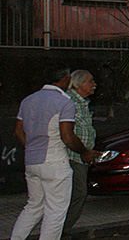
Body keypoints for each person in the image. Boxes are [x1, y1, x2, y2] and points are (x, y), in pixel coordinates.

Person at [10, 67, 94, 240]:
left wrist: (34, 147)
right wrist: (85, 152)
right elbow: (68, 137)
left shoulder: (28, 100)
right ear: (65, 80)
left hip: (32, 161)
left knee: (33, 206)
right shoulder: (64, 101)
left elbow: (18, 132)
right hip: (55, 162)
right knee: (55, 211)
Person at [61, 70, 97, 236]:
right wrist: (84, 151)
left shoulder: (81, 102)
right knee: (77, 194)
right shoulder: (70, 102)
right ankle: (61, 231)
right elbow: (69, 133)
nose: (94, 85)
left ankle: (61, 230)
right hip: (73, 156)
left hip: (81, 156)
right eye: (90, 81)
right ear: (79, 84)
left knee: (76, 195)